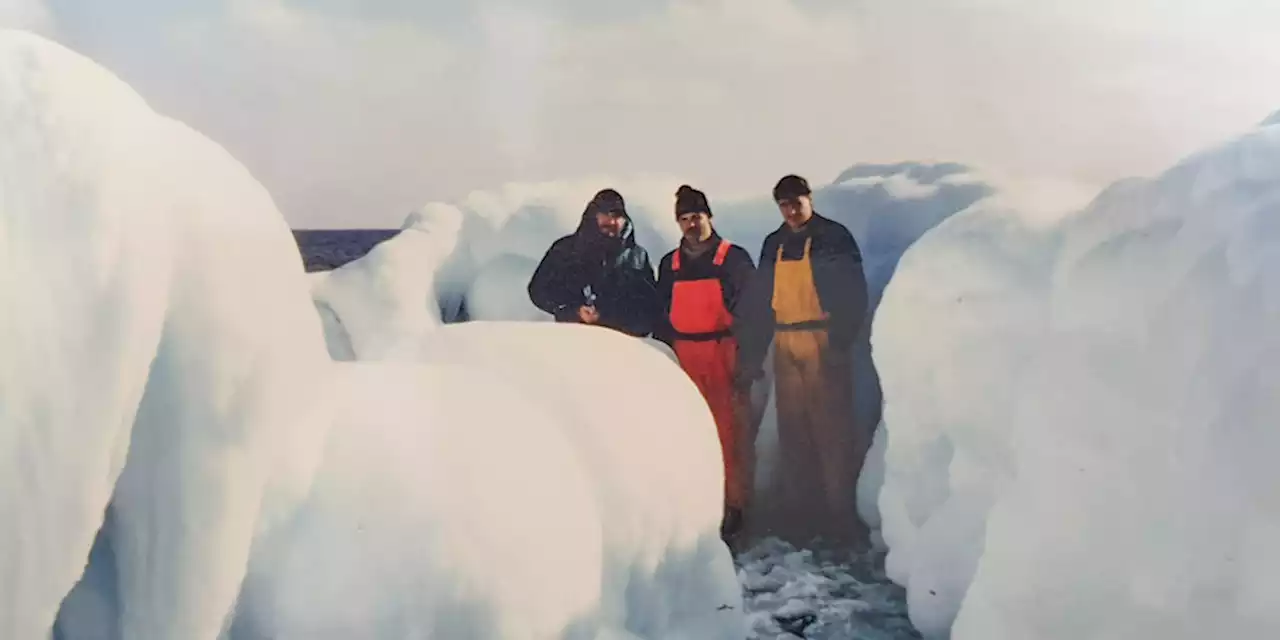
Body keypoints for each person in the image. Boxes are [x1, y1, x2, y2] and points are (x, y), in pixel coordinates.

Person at [735, 174, 871, 547]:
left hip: (823, 339)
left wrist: (841, 340)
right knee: (793, 432)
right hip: (786, 339)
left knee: (833, 433)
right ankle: (801, 515)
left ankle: (840, 517)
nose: (791, 211)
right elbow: (761, 303)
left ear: (810, 199)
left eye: (797, 203)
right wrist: (753, 352)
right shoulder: (773, 244)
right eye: (784, 205)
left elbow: (853, 291)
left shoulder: (834, 237)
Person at [654, 185, 757, 542]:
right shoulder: (670, 264)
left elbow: (754, 314)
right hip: (684, 355)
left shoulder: (733, 259)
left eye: (696, 216)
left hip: (723, 352)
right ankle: (699, 508)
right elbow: (662, 315)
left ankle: (735, 507)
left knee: (729, 435)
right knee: (688, 433)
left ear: (709, 216)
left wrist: (748, 362)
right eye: (683, 219)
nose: (691, 225)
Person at [527, 188, 658, 337]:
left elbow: (650, 306)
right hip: (574, 338)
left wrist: (616, 318)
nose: (612, 221)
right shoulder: (566, 250)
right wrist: (573, 311)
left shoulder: (637, 257)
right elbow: (538, 290)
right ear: (593, 215)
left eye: (617, 216)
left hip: (622, 344)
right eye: (605, 214)